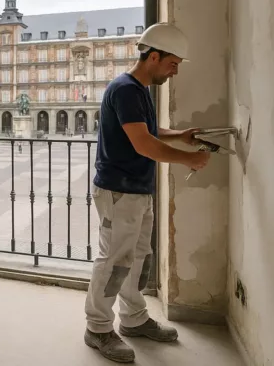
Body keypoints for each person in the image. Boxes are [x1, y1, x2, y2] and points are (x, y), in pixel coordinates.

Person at [84, 23, 210, 363]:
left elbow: (146, 131)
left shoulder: (138, 90)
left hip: (137, 190)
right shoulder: (125, 89)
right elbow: (143, 144)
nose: (176, 69)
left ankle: (134, 319)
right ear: (153, 56)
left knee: (136, 260)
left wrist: (179, 135)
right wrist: (190, 160)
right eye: (173, 62)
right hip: (119, 192)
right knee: (114, 261)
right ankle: (97, 328)